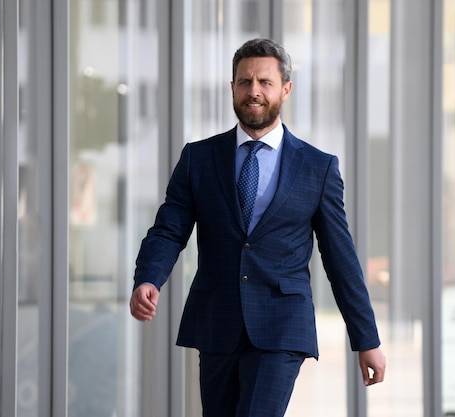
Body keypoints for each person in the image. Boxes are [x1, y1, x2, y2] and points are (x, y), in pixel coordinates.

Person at [130, 38, 386, 417]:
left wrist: (367, 338)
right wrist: (148, 277)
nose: (254, 91)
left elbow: (339, 257)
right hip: (217, 322)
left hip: (282, 327)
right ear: (232, 88)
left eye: (265, 82)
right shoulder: (198, 158)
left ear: (285, 89)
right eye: (245, 82)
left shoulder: (317, 168)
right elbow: (169, 228)